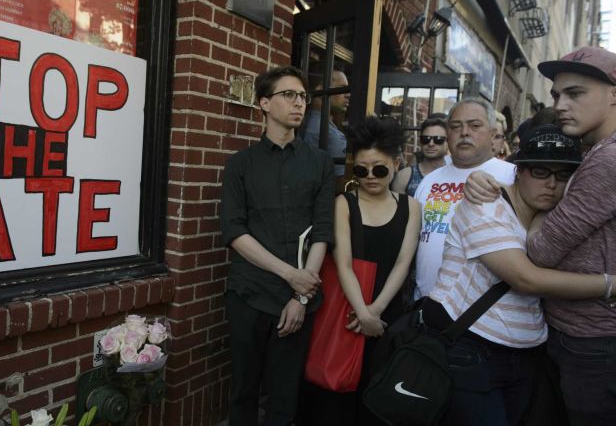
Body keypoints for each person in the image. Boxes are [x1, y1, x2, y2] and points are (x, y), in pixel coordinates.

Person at [421, 122, 616, 426]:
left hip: (526, 355)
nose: (551, 184)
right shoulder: (483, 207)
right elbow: (526, 279)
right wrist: (609, 285)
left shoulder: (551, 217)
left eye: (563, 175)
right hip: (472, 349)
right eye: (540, 172)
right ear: (518, 171)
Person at [464, 46, 616, 425]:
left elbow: (541, 252)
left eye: (576, 93)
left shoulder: (607, 161)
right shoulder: (592, 151)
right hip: (574, 335)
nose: (562, 104)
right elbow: (528, 166)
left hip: (591, 341)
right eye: (556, 95)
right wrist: (479, 176)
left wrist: (539, 217)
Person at [220, 66, 335, 426]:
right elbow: (235, 232)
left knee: (285, 397)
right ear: (265, 104)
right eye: (289, 95)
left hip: (297, 302)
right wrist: (291, 276)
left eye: (302, 96)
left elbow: (323, 231)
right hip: (249, 294)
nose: (298, 103)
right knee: (243, 392)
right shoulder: (240, 165)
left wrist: (301, 296)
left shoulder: (319, 162)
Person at [300, 116, 420, 426]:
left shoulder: (411, 206)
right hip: (348, 308)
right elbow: (342, 263)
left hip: (387, 312)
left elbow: (403, 263)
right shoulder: (344, 202)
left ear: (395, 164)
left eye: (379, 169)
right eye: (361, 169)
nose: (370, 176)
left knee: (378, 390)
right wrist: (363, 314)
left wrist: (375, 312)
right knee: (338, 391)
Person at [413, 98, 516, 300]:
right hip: (425, 304)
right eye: (455, 126)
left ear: (493, 134)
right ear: (448, 134)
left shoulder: (512, 176)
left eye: (475, 125)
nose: (465, 132)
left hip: (479, 314)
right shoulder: (430, 180)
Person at [301, 70, 351, 175]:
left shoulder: (305, 121)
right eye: (342, 88)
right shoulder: (329, 134)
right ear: (321, 90)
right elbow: (340, 183)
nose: (348, 95)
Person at [391, 115, 449, 196]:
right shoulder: (405, 177)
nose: (431, 144)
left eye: (438, 139)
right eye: (426, 139)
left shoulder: (456, 176)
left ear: (448, 142)